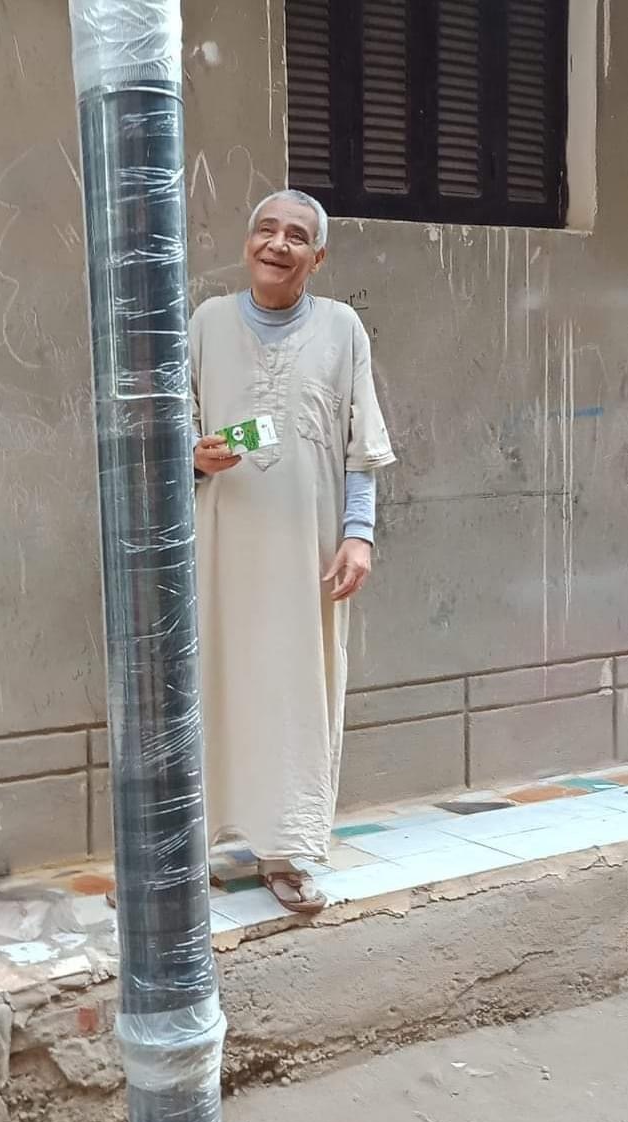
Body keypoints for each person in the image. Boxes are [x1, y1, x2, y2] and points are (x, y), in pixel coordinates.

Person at [191, 189, 395, 913]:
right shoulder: (207, 322)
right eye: (266, 230)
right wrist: (194, 457)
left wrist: (358, 534)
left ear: (318, 256)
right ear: (247, 243)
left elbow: (361, 445)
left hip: (310, 551)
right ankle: (193, 848)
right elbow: (175, 429)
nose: (278, 244)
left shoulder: (341, 328)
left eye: (297, 236)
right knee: (212, 681)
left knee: (299, 688)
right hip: (222, 546)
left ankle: (287, 852)